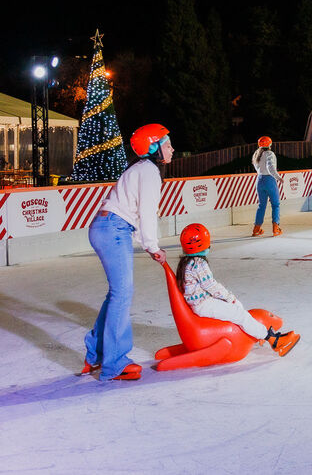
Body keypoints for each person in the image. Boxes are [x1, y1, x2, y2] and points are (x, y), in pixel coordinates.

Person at [80, 124, 173, 381]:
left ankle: (95, 354)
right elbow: (147, 213)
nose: (172, 148)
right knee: (122, 294)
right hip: (112, 229)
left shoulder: (139, 169)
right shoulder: (150, 171)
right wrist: (152, 246)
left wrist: (143, 241)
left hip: (105, 226)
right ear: (153, 148)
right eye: (167, 144)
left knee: (116, 294)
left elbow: (131, 209)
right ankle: (114, 363)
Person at [175, 223, 300, 356]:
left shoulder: (187, 262)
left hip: (202, 303)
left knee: (238, 309)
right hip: (204, 305)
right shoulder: (198, 264)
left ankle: (257, 333)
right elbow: (211, 286)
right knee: (240, 314)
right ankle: (274, 341)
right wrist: (229, 297)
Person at [252, 136, 284, 237]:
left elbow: (258, 168)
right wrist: (278, 177)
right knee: (275, 204)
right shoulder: (270, 154)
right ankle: (276, 228)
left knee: (261, 205)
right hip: (269, 180)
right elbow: (270, 167)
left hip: (259, 180)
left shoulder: (256, 154)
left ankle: (256, 229)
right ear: (270, 144)